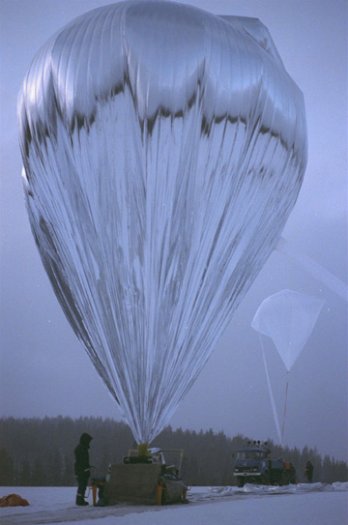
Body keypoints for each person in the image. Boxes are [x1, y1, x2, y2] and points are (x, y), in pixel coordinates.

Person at [74, 432, 93, 505]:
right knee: (82, 485)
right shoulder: (81, 448)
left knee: (83, 485)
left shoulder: (81, 448)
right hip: (81, 470)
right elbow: (82, 461)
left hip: (81, 470)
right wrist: (85, 468)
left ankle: (80, 500)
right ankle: (79, 501)